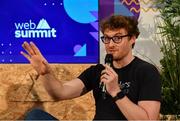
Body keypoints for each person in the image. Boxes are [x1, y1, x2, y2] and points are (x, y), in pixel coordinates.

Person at [21, 15, 161, 120]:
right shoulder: (97, 71)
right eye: (106, 38)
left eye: (117, 38)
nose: (110, 44)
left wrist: (117, 92)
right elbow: (60, 93)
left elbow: (148, 119)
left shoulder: (146, 71)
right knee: (36, 116)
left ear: (132, 39)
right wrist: (46, 74)